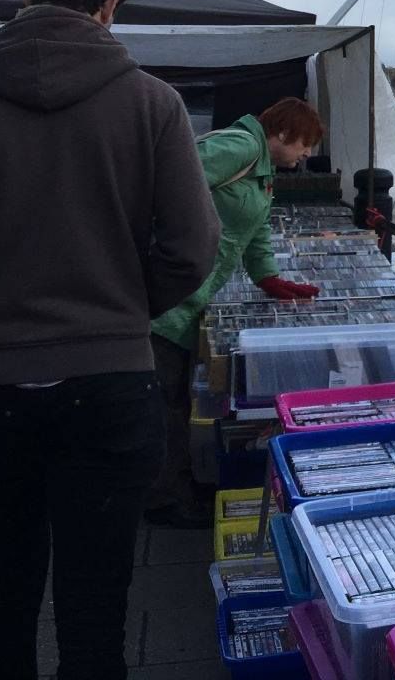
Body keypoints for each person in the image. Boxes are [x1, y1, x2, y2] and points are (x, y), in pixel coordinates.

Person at [0, 0, 219, 680]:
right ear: (110, 7)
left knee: (1, 605)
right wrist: (121, 309)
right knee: (95, 614)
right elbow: (192, 250)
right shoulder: (155, 106)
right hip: (112, 386)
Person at [146, 97, 324, 526]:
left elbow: (256, 230)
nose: (306, 155)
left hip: (190, 295)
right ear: (282, 133)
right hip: (164, 297)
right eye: (304, 144)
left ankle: (178, 486)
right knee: (161, 405)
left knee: (173, 400)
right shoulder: (240, 147)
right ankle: (163, 501)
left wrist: (269, 279)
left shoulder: (262, 171)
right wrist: (183, 246)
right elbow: (169, 183)